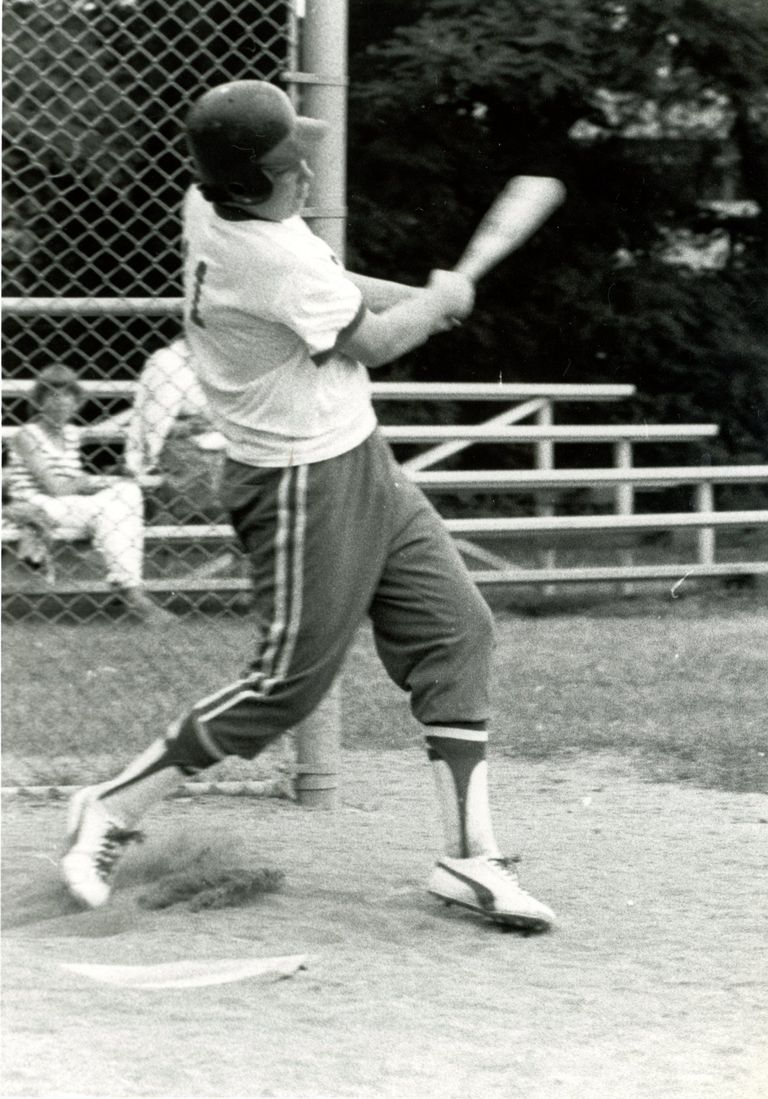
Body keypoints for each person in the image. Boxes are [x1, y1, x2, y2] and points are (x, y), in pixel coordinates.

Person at [61, 80, 556, 931]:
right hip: (299, 485)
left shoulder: (214, 197)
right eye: (292, 161)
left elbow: (330, 281)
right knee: (284, 686)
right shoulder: (267, 258)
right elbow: (372, 337)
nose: (309, 170)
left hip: (358, 457)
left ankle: (469, 858)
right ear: (258, 178)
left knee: (457, 628)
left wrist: (414, 291)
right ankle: (108, 806)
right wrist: (435, 304)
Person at [6, 363, 172, 624]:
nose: (60, 403)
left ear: (76, 403)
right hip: (35, 506)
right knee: (112, 508)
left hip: (69, 506)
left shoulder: (72, 435)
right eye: (52, 395)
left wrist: (106, 480)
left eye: (67, 396)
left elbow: (72, 486)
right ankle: (133, 593)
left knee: (127, 493)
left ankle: (128, 586)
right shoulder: (27, 436)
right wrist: (85, 483)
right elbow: (55, 487)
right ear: (39, 401)